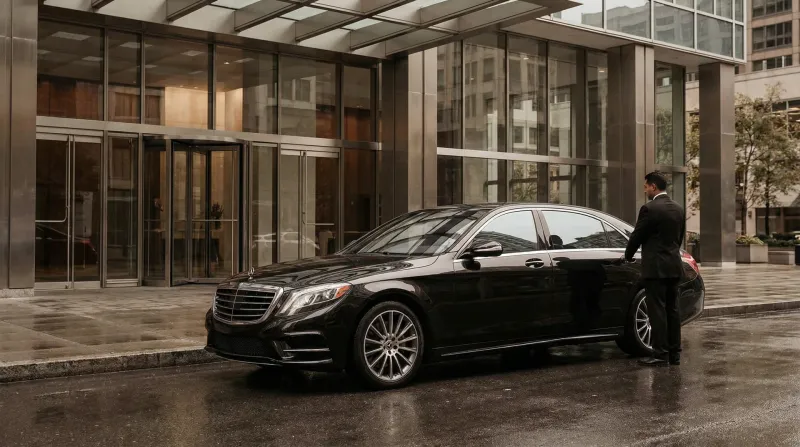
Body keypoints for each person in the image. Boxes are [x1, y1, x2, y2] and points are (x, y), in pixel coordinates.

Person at [625, 171, 686, 367]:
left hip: (656, 269)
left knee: (657, 311)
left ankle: (660, 354)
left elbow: (637, 236)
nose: (645, 190)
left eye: (646, 186)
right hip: (674, 266)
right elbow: (679, 238)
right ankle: (675, 354)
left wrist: (627, 255)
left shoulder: (649, 209)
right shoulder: (678, 208)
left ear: (653, 186)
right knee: (673, 310)